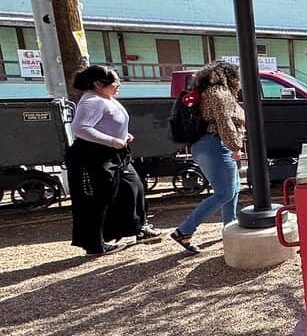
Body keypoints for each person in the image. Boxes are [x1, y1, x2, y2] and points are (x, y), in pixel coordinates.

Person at [66, 65, 163, 255]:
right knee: (99, 199)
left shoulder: (106, 98)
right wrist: (112, 141)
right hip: (93, 156)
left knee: (134, 187)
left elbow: (109, 123)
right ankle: (94, 244)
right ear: (98, 84)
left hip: (117, 154)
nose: (119, 84)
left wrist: (123, 135)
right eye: (115, 81)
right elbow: (80, 128)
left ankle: (139, 227)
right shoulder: (91, 101)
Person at [170, 61, 245, 254]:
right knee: (225, 193)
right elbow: (224, 121)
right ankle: (184, 231)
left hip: (205, 145)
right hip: (216, 145)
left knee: (233, 189)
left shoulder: (205, 92)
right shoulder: (219, 92)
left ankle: (230, 228)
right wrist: (235, 146)